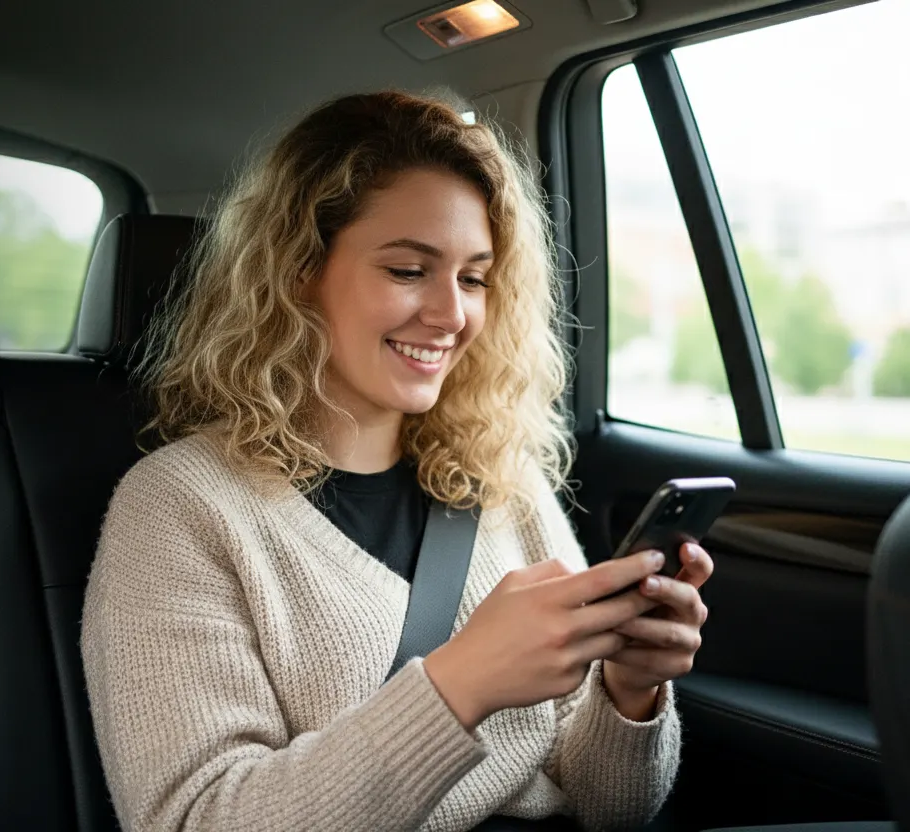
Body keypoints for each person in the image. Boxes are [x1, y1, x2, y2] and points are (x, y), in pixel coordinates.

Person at [80, 90, 712, 832]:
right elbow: (196, 820)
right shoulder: (180, 507)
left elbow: (612, 810)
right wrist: (458, 686)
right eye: (409, 270)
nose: (450, 315)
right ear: (297, 271)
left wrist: (628, 691)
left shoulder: (501, 478)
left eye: (473, 278)